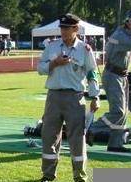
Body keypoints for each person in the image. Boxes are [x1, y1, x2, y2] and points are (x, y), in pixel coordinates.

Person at [37, 13, 99, 182]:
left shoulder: (85, 49)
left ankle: (79, 176)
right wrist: (54, 63)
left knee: (77, 138)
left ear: (76, 29)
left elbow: (93, 72)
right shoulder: (51, 46)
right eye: (62, 28)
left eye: (67, 28)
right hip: (54, 97)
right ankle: (48, 175)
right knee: (49, 136)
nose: (63, 31)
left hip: (75, 97)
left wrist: (95, 96)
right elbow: (40, 68)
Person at [88, 10, 131, 153]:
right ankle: (91, 128)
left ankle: (115, 144)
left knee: (123, 113)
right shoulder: (120, 35)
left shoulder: (124, 34)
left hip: (121, 76)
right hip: (113, 75)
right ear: (129, 21)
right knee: (118, 112)